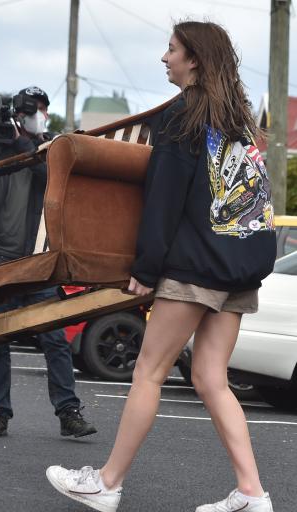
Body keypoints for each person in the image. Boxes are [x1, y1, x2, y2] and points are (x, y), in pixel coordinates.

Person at [46, 21, 277, 512]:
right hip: (240, 264)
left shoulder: (180, 117)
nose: (164, 57)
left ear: (194, 60)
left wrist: (147, 268)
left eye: (172, 49)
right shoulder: (239, 120)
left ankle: (107, 483)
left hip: (194, 266)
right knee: (212, 379)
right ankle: (252, 493)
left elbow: (163, 200)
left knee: (148, 372)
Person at [0, 86, 97, 439]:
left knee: (54, 339)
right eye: (33, 109)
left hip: (40, 257)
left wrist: (22, 144)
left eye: (42, 109)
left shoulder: (50, 146)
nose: (39, 115)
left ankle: (69, 412)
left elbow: (50, 179)